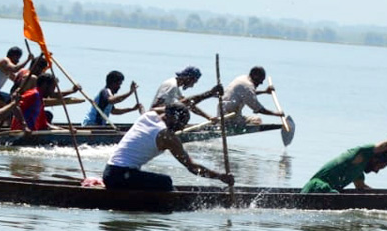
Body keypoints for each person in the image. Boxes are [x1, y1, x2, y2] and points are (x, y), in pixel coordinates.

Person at [103, 104, 235, 191]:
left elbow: (172, 106)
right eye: (181, 123)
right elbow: (192, 167)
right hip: (120, 177)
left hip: (109, 173)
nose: (182, 128)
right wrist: (220, 177)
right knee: (166, 182)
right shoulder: (167, 136)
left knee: (158, 181)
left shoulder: (148, 115)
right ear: (173, 118)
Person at [301, 115, 387, 193]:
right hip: (317, 188)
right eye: (379, 166)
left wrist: (383, 197)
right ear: (375, 158)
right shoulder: (361, 153)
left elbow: (361, 188)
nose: (376, 171)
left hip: (327, 192)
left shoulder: (357, 171)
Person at [220, 66, 284, 128]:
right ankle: (234, 125)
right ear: (255, 76)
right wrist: (277, 114)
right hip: (230, 118)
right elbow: (259, 109)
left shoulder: (242, 78)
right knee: (257, 120)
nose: (261, 83)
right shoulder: (248, 87)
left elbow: (248, 94)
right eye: (260, 80)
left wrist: (265, 92)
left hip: (222, 114)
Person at [151, 66, 221, 121]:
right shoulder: (171, 85)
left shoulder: (176, 87)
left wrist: (208, 117)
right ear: (189, 78)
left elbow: (190, 105)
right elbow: (156, 107)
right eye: (193, 82)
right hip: (157, 120)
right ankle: (210, 93)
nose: (192, 85)